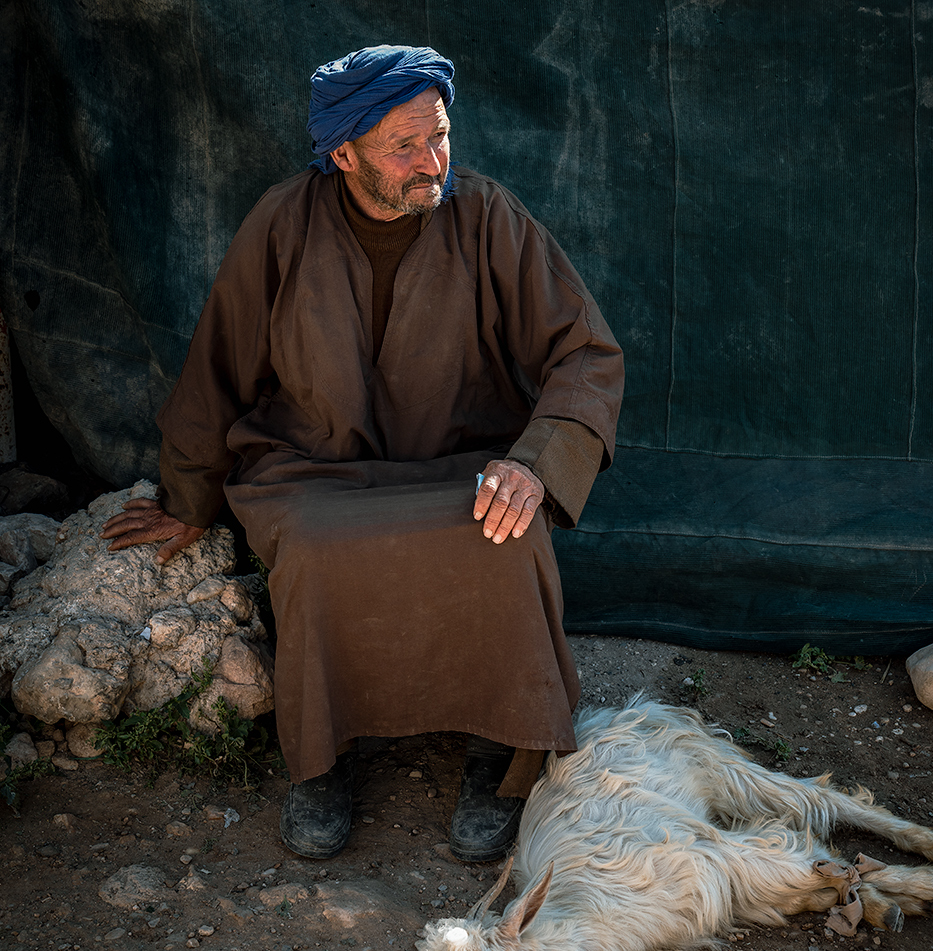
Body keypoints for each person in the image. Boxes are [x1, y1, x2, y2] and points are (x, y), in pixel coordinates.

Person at [101, 45, 624, 863]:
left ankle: (499, 755)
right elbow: (220, 366)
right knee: (315, 547)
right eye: (404, 147)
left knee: (504, 534)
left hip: (461, 465)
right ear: (343, 155)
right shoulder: (281, 222)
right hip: (315, 469)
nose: (432, 162)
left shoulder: (488, 215)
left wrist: (535, 459)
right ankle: (325, 759)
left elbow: (585, 352)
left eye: (441, 136)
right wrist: (186, 496)